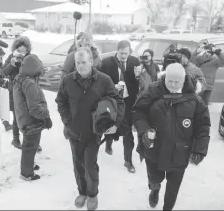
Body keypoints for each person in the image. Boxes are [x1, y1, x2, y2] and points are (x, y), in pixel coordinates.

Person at [132, 63, 211, 211]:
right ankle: (154, 189)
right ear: (164, 78)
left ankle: (167, 207)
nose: (173, 85)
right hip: (155, 147)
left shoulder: (194, 99)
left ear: (183, 80)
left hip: (180, 151)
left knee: (173, 186)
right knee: (154, 177)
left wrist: (200, 149)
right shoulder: (154, 90)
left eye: (177, 82)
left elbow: (203, 125)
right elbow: (138, 111)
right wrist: (144, 131)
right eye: (170, 81)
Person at [55, 47, 124, 210]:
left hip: (94, 132)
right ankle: (82, 192)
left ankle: (92, 194)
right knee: (78, 164)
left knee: (89, 165)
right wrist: (67, 120)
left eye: (84, 62)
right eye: (77, 63)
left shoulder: (104, 80)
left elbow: (118, 102)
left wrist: (115, 123)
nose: (80, 66)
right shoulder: (68, 80)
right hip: (74, 131)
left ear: (91, 62)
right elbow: (60, 101)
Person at [99, 40, 140, 173]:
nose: (123, 56)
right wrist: (111, 88)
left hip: (128, 102)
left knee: (128, 132)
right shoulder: (106, 63)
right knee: (111, 125)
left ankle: (128, 161)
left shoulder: (134, 62)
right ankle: (108, 142)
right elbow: (100, 82)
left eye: (126, 53)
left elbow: (139, 82)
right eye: (121, 53)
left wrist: (139, 76)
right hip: (112, 101)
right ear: (117, 51)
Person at [13, 54, 52, 181]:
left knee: (29, 145)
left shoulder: (20, 79)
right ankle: (26, 173)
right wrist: (46, 117)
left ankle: (29, 164)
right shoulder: (29, 84)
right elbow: (35, 108)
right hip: (32, 122)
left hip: (24, 120)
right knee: (30, 147)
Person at [2, 36, 42, 152]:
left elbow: (40, 71)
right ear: (15, 49)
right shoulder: (11, 57)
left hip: (29, 91)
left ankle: (32, 142)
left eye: (24, 51)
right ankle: (16, 139)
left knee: (32, 117)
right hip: (15, 91)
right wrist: (12, 64)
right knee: (17, 116)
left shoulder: (31, 58)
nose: (22, 53)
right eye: (19, 50)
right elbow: (3, 72)